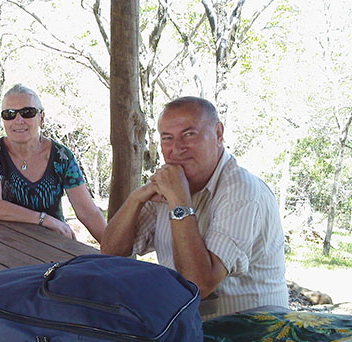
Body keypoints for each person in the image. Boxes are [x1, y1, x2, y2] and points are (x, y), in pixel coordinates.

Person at [101, 96, 288, 319]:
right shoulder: (171, 182)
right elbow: (111, 252)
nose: (176, 148)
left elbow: (198, 284)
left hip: (251, 328)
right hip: (186, 323)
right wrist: (136, 199)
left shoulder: (242, 190)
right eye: (167, 138)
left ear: (218, 134)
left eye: (189, 134)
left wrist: (179, 202)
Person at [0, 84, 106, 243]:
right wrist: (45, 220)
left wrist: (114, 249)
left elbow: (88, 213)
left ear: (41, 117)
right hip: (4, 242)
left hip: (52, 244)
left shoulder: (61, 157)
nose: (18, 120)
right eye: (9, 114)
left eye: (27, 112)